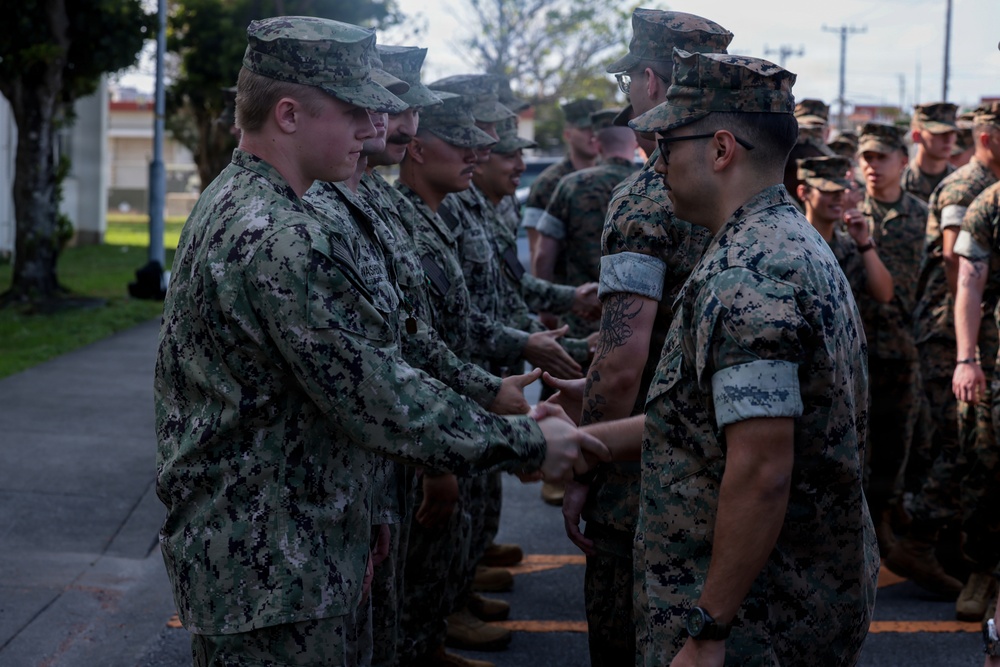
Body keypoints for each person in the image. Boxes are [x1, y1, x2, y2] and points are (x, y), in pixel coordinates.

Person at [154, 16, 606, 665]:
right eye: (353, 109)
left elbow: (388, 347)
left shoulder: (261, 206)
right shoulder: (278, 236)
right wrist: (529, 440)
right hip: (274, 565)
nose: (375, 127)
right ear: (287, 114)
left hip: (298, 545)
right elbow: (378, 392)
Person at [550, 47, 877, 666]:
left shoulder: (749, 274)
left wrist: (708, 630)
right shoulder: (783, 240)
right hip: (783, 600)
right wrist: (592, 438)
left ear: (721, 149)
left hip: (755, 619)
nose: (658, 161)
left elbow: (761, 471)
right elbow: (712, 425)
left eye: (669, 143)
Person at [570, 9, 734, 666]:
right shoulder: (749, 183)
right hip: (736, 464)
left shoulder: (648, 194)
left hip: (647, 482)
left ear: (648, 80)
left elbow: (619, 362)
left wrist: (585, 460)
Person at [893, 101, 1000, 611]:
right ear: (988, 138)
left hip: (970, 335)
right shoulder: (967, 188)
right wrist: (969, 349)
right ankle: (920, 536)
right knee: (964, 442)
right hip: (946, 333)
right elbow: (959, 272)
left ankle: (953, 546)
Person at [853, 121, 929, 556]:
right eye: (866, 158)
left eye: (881, 157)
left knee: (897, 450)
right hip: (859, 351)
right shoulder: (849, 213)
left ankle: (887, 533)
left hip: (904, 350)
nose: (873, 166)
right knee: (857, 450)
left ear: (903, 161)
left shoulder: (922, 215)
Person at [534, 108, 639, 338]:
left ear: (598, 145)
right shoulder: (652, 184)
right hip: (638, 322)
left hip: (579, 318)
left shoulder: (571, 185)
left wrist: (546, 307)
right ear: (635, 142)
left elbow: (543, 254)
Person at [796, 155, 893, 305]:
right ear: (803, 193)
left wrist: (864, 243)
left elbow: (884, 294)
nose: (838, 197)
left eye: (841, 190)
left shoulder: (849, 246)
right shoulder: (792, 245)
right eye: (828, 191)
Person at [522, 97, 602, 262]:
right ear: (568, 134)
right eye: (585, 128)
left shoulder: (611, 177)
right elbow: (537, 252)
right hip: (567, 285)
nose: (593, 135)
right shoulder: (548, 183)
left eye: (597, 128)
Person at [902, 102, 959, 202]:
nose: (948, 139)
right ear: (917, 136)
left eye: (952, 133)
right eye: (939, 133)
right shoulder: (900, 182)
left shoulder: (960, 182)